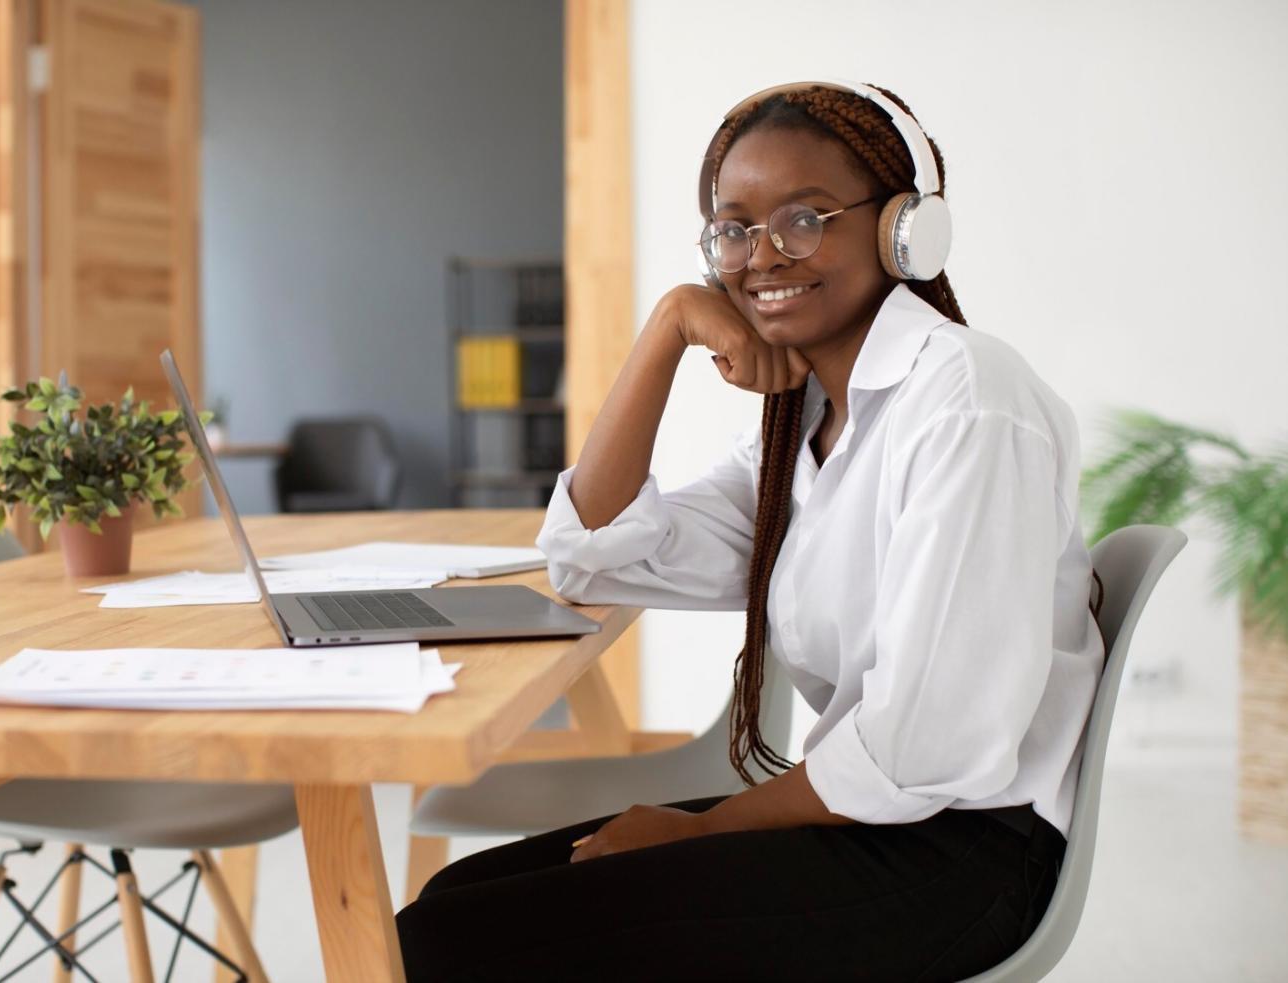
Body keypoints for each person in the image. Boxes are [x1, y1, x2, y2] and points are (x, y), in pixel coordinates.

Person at [396, 80, 1105, 981]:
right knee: (451, 903)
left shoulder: (965, 402)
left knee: (456, 942)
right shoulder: (807, 424)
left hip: (964, 855)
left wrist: (699, 828)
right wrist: (666, 329)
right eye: (733, 229)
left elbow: (927, 749)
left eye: (804, 218)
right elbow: (589, 556)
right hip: (878, 818)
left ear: (904, 230)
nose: (762, 255)